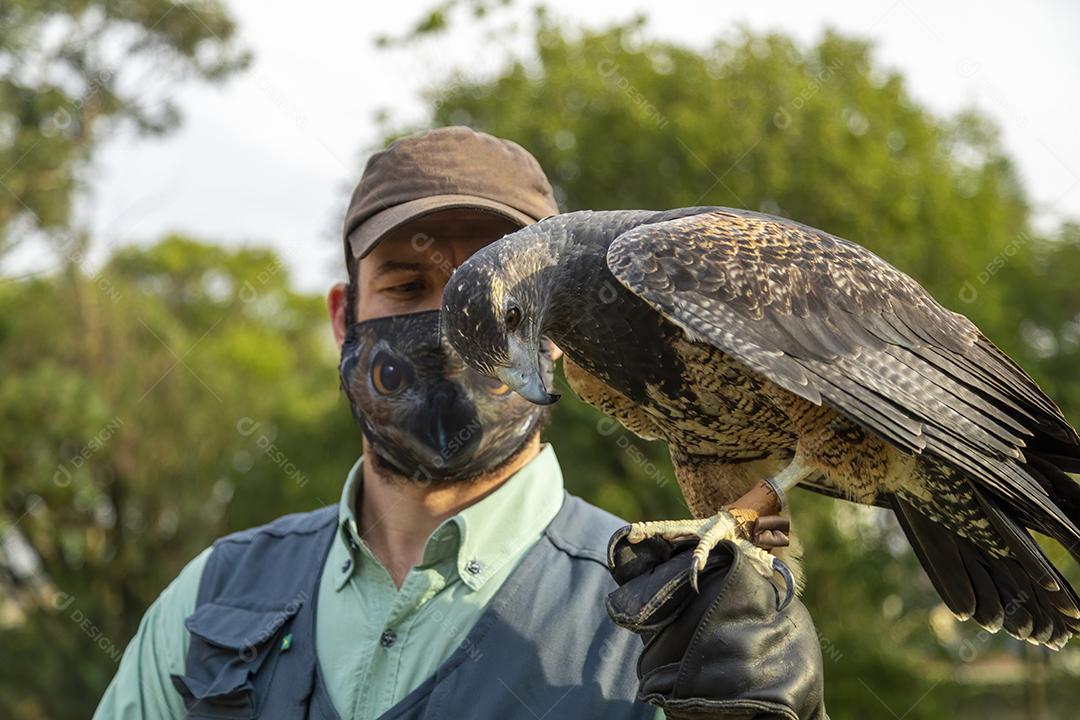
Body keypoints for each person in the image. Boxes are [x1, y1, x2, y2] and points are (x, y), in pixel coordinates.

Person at [93, 126, 826, 719]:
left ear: (560, 327)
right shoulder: (214, 595)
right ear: (344, 317)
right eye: (408, 284)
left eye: (499, 294)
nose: (453, 324)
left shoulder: (674, 608)